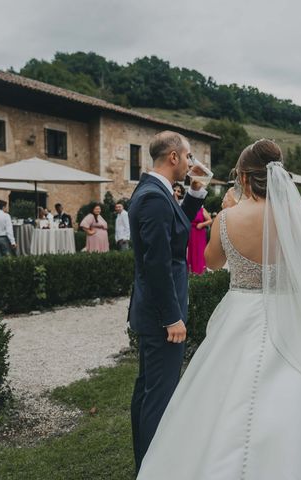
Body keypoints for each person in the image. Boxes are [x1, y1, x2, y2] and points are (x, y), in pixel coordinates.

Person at [136, 140, 301, 479]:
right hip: (295, 319)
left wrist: (228, 213)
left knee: (217, 402)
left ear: (244, 179)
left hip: (240, 316)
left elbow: (212, 262)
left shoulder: (226, 217)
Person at [127, 131, 207, 472]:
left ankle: (146, 464)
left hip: (156, 312)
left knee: (149, 389)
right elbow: (156, 264)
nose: (191, 163)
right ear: (173, 157)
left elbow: (176, 234)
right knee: (158, 395)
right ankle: (153, 469)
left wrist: (196, 191)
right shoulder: (154, 198)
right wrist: (172, 317)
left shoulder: (156, 192)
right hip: (162, 315)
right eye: (188, 156)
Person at [187, 207, 212, 274]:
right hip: (191, 233)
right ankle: (191, 272)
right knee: (192, 251)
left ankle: (201, 272)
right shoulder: (189, 208)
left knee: (200, 251)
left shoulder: (202, 209)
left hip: (200, 232)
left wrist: (202, 224)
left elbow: (210, 220)